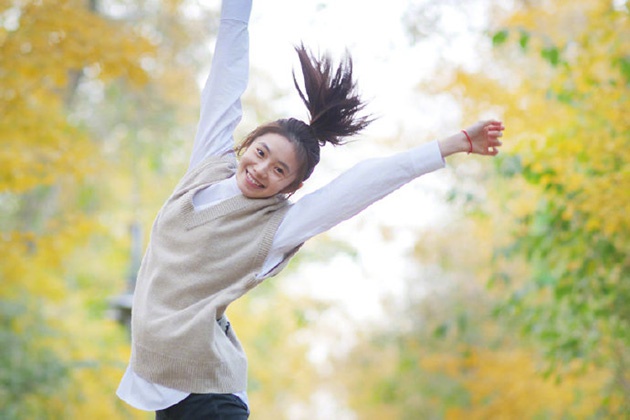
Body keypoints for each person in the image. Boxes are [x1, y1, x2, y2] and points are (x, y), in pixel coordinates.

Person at [116, 0, 505, 418]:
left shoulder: (277, 227)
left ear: (293, 186)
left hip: (208, 398)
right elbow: (225, 77)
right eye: (260, 153)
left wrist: (453, 143)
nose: (261, 170)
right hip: (167, 392)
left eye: (279, 170)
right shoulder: (208, 168)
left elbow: (361, 185)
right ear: (247, 145)